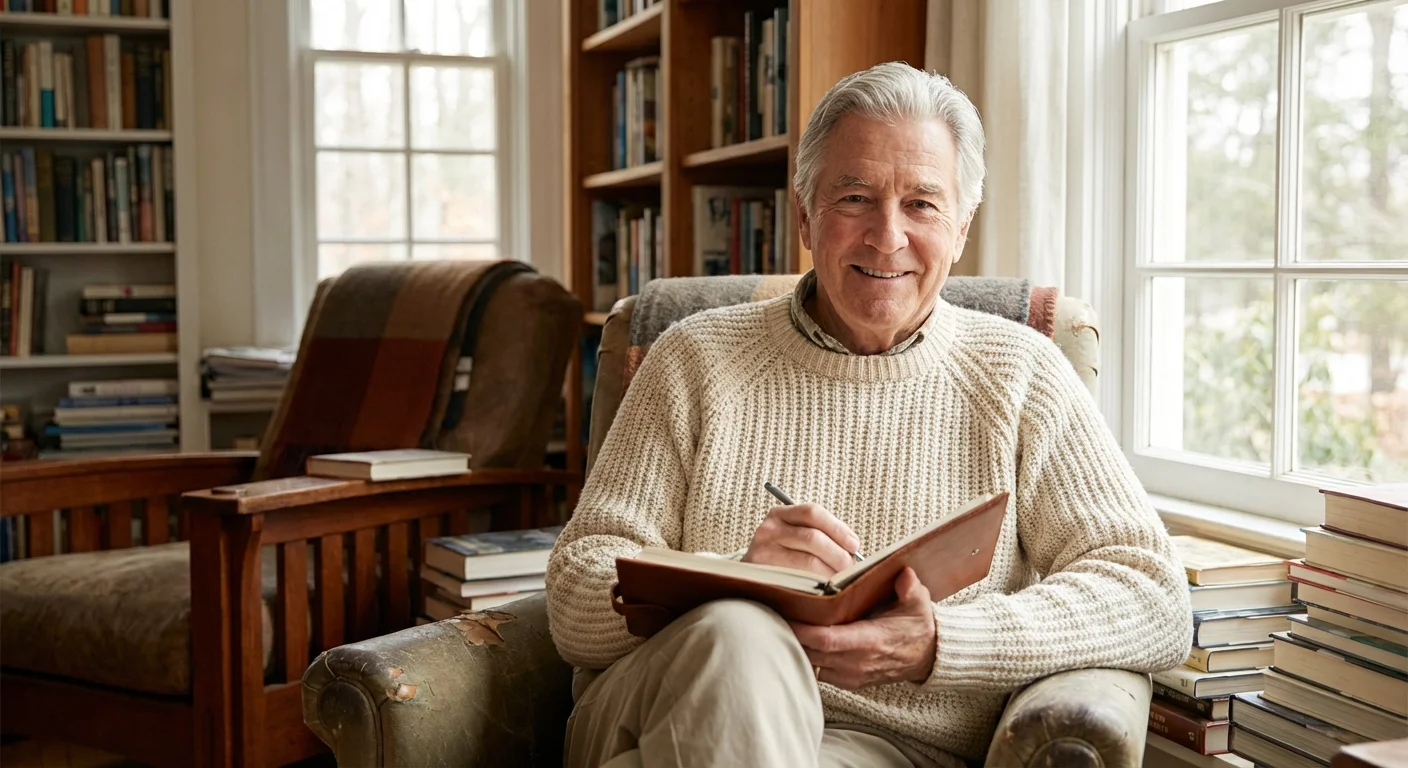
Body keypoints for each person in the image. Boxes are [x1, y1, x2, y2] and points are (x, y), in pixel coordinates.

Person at [546, 61, 1192, 768]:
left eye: (921, 204)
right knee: (738, 633)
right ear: (804, 216)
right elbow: (575, 595)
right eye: (855, 197)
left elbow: (1152, 597)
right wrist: (735, 578)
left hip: (883, 751)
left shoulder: (1021, 373)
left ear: (962, 226)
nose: (886, 237)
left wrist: (940, 643)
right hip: (662, 707)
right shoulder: (694, 358)